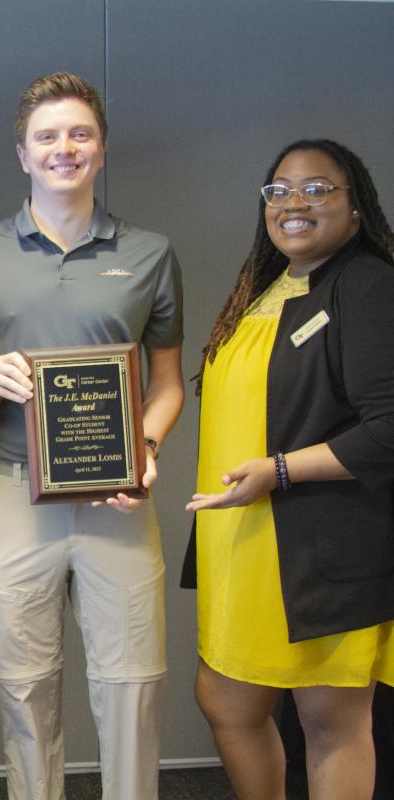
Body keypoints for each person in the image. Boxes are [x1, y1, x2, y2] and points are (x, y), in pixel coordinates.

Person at [0, 72, 185, 800]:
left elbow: (168, 383)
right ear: (22, 153)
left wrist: (143, 451)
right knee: (24, 688)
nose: (64, 148)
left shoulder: (148, 253)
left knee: (132, 684)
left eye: (79, 134)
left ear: (101, 148)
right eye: (46, 136)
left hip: (117, 497)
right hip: (13, 488)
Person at [185, 139, 394, 800]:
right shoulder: (270, 286)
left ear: (356, 206)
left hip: (324, 547)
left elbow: (389, 426)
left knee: (330, 722)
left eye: (318, 189)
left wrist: (279, 471)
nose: (294, 203)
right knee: (227, 703)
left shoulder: (367, 284)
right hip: (247, 545)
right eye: (279, 190)